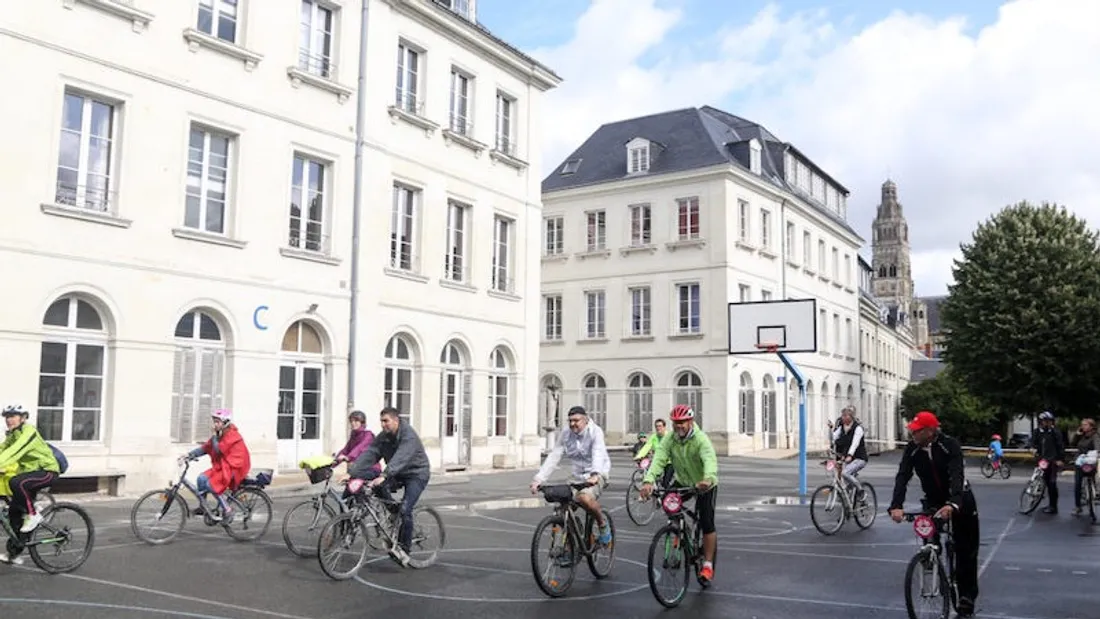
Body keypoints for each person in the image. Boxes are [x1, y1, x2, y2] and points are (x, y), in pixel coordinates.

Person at [888, 411, 980, 618]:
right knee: (928, 528)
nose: (912, 434)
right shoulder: (912, 448)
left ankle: (966, 596)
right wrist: (896, 505)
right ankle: (931, 556)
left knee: (966, 550)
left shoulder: (950, 445)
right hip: (933, 499)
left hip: (960, 498)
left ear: (930, 431)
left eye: (916, 431)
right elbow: (903, 475)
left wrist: (953, 504)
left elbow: (957, 475)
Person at [639, 404, 719, 583]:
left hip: (705, 484)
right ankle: (679, 530)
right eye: (675, 423)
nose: (678, 426)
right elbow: (659, 458)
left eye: (682, 422)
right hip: (683, 482)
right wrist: (648, 481)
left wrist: (708, 479)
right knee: (669, 502)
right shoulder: (670, 439)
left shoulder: (700, 439)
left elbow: (709, 460)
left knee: (707, 523)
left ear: (690, 421)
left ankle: (707, 564)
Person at [348, 406, 432, 566]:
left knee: (406, 509)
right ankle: (394, 512)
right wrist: (353, 471)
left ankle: (404, 550)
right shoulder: (384, 436)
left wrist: (385, 475)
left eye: (386, 421)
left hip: (416, 474)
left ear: (396, 420)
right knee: (375, 485)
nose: (383, 425)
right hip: (397, 473)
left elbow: (401, 457)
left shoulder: (409, 436)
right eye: (381, 421)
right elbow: (370, 453)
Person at [530, 405, 613, 545]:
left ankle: (602, 525)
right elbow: (555, 455)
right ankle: (572, 544)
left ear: (585, 420)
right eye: (570, 421)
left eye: (576, 420)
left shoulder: (595, 432)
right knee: (562, 505)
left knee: (584, 498)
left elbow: (598, 453)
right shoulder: (566, 433)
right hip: (577, 477)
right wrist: (538, 479)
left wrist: (595, 474)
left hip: (598, 473)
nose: (573, 424)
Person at [0, 405, 62, 565]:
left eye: (13, 416)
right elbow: (2, 449)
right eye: (7, 416)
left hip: (47, 471)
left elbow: (14, 451)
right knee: (14, 513)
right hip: (30, 474)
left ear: (23, 418)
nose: (9, 419)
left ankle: (33, 514)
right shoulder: (13, 434)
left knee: (16, 482)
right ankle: (15, 552)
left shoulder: (29, 432)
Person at [181, 408, 251, 524]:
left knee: (212, 484)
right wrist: (188, 455)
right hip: (224, 466)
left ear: (225, 423)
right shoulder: (220, 435)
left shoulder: (232, 435)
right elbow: (205, 448)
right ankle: (203, 506)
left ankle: (228, 510)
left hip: (235, 468)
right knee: (201, 479)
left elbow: (218, 450)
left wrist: (214, 436)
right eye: (214, 421)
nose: (215, 424)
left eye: (217, 422)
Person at [1031, 411, 1065, 514]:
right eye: (1046, 421)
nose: (1048, 423)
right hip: (1042, 460)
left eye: (1049, 421)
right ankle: (1037, 496)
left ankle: (1053, 506)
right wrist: (1032, 449)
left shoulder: (1055, 432)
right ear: (1041, 422)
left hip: (1053, 461)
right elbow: (1033, 443)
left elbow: (1060, 446)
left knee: (1052, 483)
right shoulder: (1037, 432)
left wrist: (1060, 459)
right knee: (1041, 480)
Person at [829, 405, 868, 497]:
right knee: (846, 481)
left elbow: (855, 443)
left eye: (845, 416)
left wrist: (850, 455)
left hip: (859, 458)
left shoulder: (858, 428)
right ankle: (849, 504)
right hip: (847, 458)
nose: (843, 418)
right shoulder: (842, 427)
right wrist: (830, 429)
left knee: (845, 473)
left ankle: (861, 491)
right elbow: (834, 438)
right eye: (842, 415)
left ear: (851, 417)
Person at [1071, 418, 1100, 517]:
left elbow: (1097, 447)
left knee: (1093, 478)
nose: (1083, 427)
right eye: (1082, 425)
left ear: (1091, 426)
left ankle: (1094, 494)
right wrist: (1077, 434)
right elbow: (1073, 444)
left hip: (1090, 461)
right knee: (1077, 483)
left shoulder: (1095, 436)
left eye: (1085, 425)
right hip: (1080, 461)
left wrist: (1097, 453)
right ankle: (1077, 506)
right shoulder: (1081, 436)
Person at [634, 418, 674, 487]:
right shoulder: (654, 437)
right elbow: (647, 446)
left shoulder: (669, 437)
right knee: (651, 477)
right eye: (656, 426)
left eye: (660, 426)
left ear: (664, 427)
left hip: (669, 462)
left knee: (665, 483)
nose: (658, 428)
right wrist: (639, 456)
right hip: (658, 462)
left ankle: (668, 495)